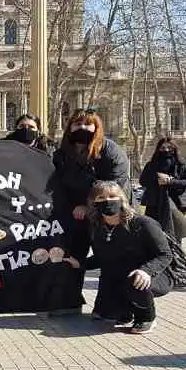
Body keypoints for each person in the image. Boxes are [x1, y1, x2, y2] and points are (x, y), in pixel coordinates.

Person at [66, 181, 172, 334]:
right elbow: (103, 258)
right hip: (119, 274)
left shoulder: (143, 223)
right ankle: (125, 311)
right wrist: (80, 264)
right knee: (105, 314)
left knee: (134, 280)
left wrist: (146, 271)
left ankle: (146, 317)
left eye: (112, 196)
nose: (107, 201)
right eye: (101, 198)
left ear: (122, 199)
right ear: (93, 203)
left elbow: (165, 254)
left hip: (152, 274)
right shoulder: (97, 227)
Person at [52, 108, 130, 312]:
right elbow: (56, 185)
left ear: (97, 127)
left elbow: (114, 184)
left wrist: (89, 206)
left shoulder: (110, 151)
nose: (83, 128)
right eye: (77, 124)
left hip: (109, 211)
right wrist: (71, 207)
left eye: (88, 124)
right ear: (70, 127)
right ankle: (69, 301)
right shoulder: (62, 154)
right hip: (74, 214)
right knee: (72, 255)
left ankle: (115, 306)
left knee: (110, 257)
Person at [139, 136, 186, 240]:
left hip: (177, 202)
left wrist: (171, 181)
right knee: (154, 232)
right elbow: (143, 181)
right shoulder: (151, 165)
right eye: (163, 148)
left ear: (174, 148)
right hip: (154, 203)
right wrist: (157, 179)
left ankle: (175, 250)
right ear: (158, 149)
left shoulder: (181, 164)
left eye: (169, 147)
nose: (166, 150)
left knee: (174, 234)